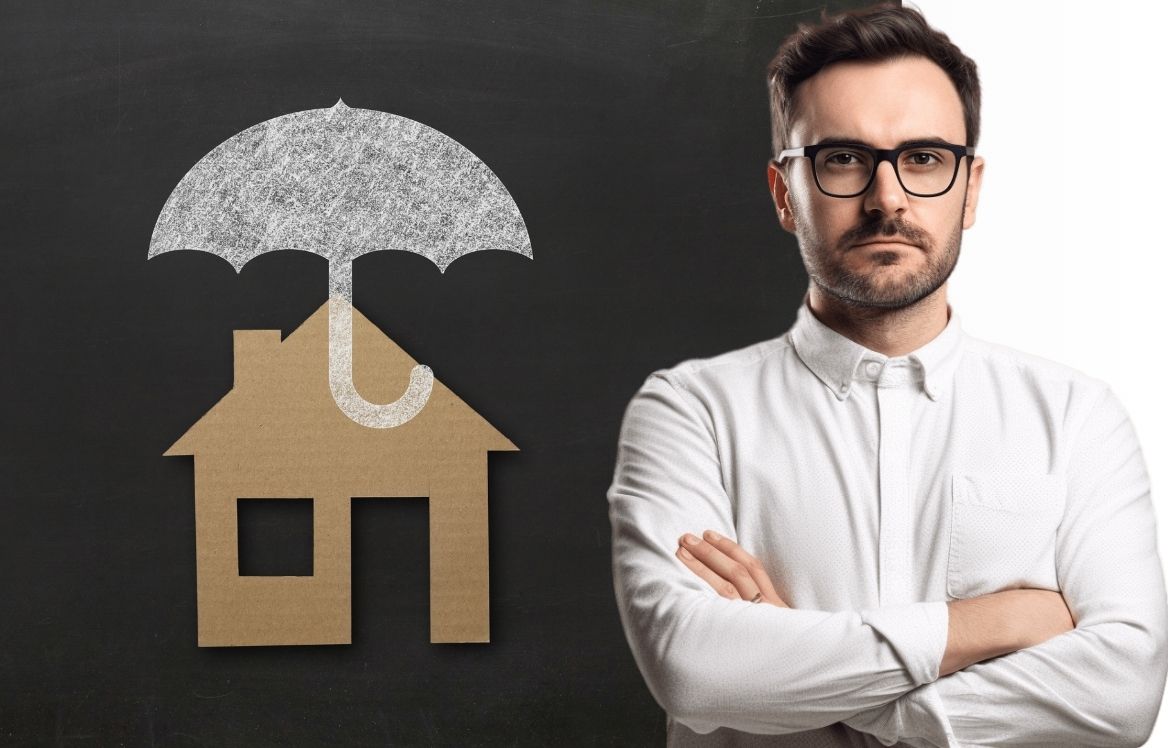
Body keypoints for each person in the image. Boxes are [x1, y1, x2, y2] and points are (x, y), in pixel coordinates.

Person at [606, 5, 1168, 746]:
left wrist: (808, 680)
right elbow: (695, 669)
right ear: (784, 194)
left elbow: (1123, 691)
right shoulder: (689, 412)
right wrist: (990, 624)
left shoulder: (1076, 417)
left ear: (970, 189)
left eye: (925, 159)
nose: (888, 199)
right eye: (842, 159)